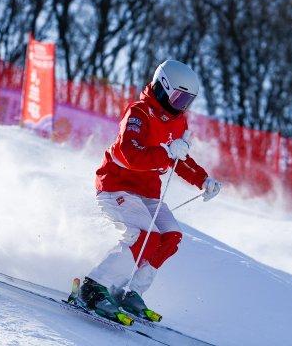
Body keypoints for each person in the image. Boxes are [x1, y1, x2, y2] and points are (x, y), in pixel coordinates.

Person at [78, 60, 222, 323]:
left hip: (147, 194)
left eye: (186, 101)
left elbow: (181, 159)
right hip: (117, 186)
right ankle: (93, 287)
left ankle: (130, 291)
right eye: (178, 98)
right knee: (145, 236)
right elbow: (131, 154)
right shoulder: (139, 114)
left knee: (170, 236)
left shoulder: (178, 123)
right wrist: (166, 152)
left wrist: (203, 180)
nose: (180, 106)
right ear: (162, 87)